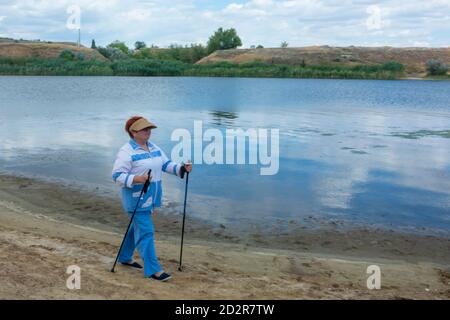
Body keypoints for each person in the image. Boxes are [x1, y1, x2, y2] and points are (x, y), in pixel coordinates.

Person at [112, 116, 192, 281]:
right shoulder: (127, 151)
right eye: (144, 129)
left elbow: (165, 164)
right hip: (136, 198)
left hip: (151, 196)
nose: (148, 132)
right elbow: (117, 175)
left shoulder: (153, 147)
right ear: (133, 132)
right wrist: (137, 179)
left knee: (136, 228)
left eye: (149, 129)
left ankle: (125, 257)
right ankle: (153, 270)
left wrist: (182, 168)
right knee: (146, 231)